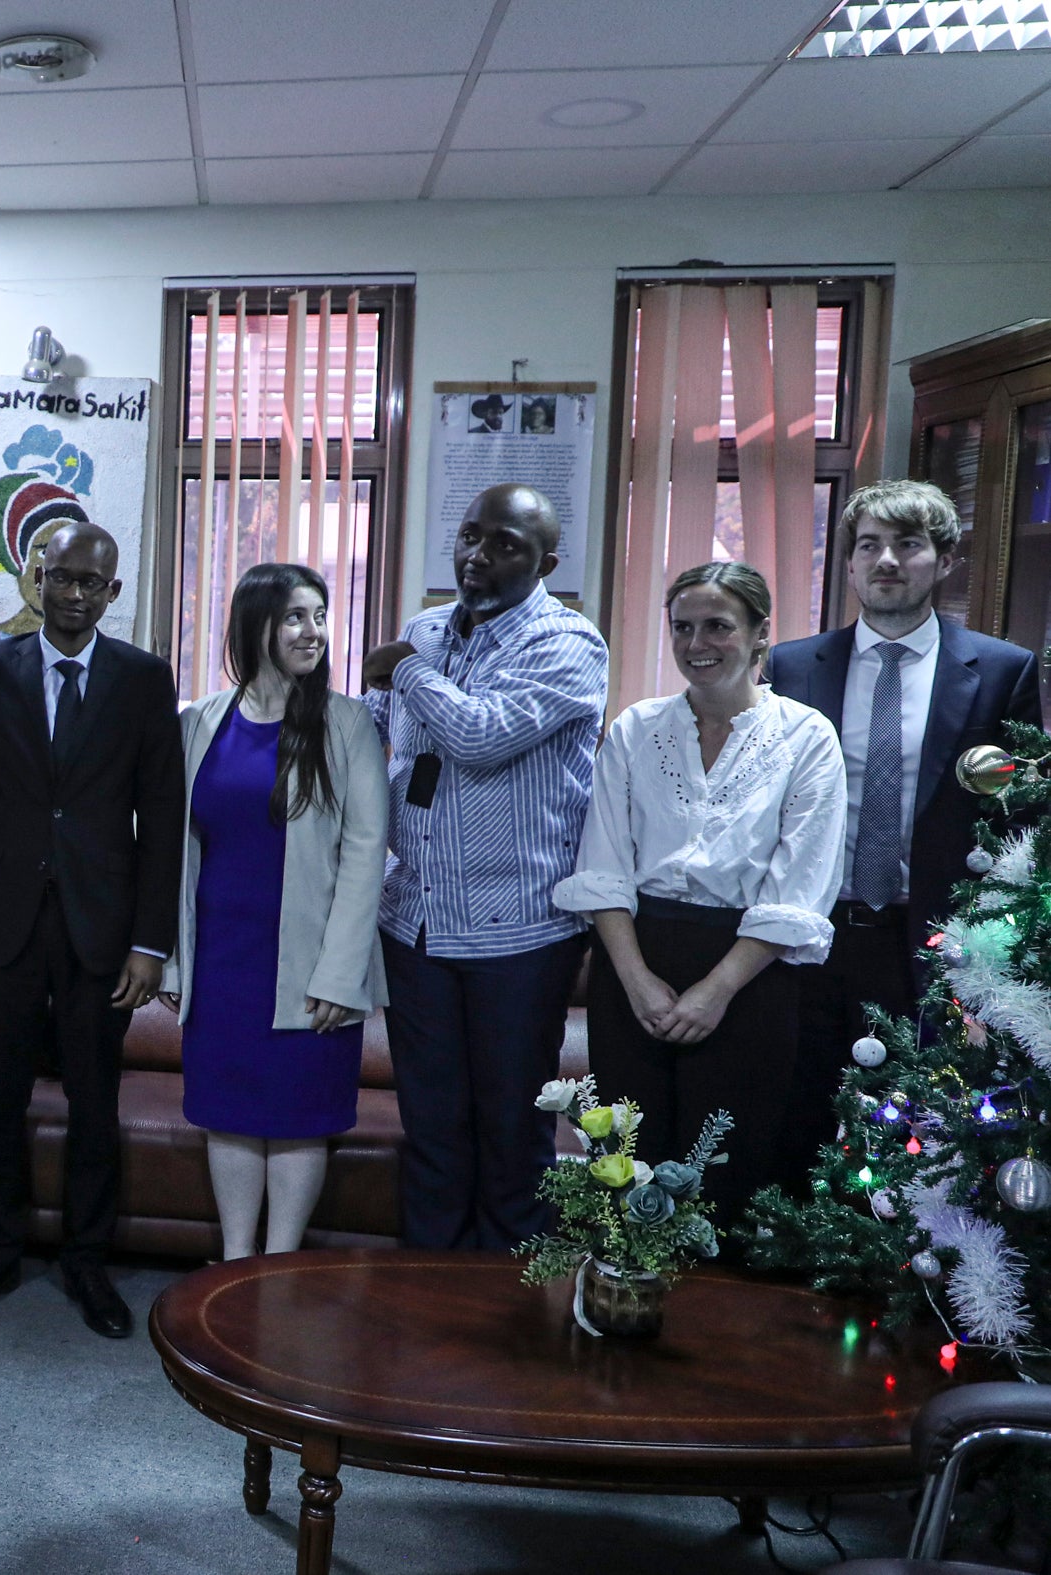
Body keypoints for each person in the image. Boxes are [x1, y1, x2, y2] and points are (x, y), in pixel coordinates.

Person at [0, 523, 181, 1336]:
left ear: (115, 592)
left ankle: (87, 1263)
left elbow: (164, 819)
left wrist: (151, 943)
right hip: (0, 929)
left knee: (94, 1107)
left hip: (102, 936)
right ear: (36, 578)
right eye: (62, 576)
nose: (74, 593)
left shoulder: (146, 680)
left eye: (92, 583)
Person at [554, 562, 846, 1218]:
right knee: (627, 1168)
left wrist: (715, 992)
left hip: (748, 973)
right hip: (635, 959)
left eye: (718, 626)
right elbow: (603, 866)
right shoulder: (635, 729)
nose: (697, 644)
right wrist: (634, 980)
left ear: (760, 634)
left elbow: (800, 885)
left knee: (727, 1173)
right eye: (683, 627)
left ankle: (705, 1318)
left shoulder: (806, 737)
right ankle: (618, 1310)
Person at [362, 482, 607, 1251]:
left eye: (505, 543)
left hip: (520, 934)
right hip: (417, 925)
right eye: (471, 535)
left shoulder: (568, 644)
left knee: (511, 1134)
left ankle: (503, 1315)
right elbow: (370, 733)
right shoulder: (426, 631)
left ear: (547, 562)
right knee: (431, 1128)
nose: (477, 554)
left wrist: (402, 671)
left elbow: (481, 734)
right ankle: (427, 1301)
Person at [769, 480, 1043, 1169]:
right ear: (851, 563)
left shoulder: (1000, 670)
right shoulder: (792, 666)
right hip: (815, 935)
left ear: (945, 560)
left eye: (909, 544)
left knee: (918, 1137)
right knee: (793, 1122)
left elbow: (1019, 821)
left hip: (932, 945)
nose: (887, 559)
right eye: (869, 545)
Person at [167, 563, 388, 1260]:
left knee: (295, 1119)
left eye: (320, 616)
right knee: (227, 1116)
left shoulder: (347, 723)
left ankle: (282, 1268)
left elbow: (366, 852)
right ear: (254, 624)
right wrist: (174, 955)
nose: (313, 631)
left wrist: (339, 975)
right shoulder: (200, 722)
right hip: (224, 958)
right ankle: (235, 1264)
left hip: (310, 962)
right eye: (296, 616)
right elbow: (174, 852)